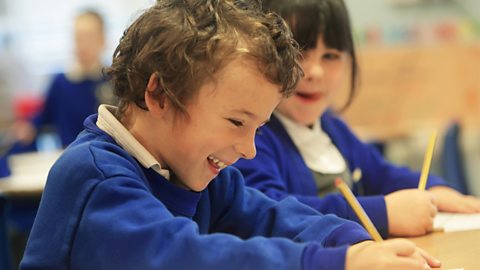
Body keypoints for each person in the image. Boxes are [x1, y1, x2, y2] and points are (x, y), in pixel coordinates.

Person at [20, 1, 440, 269]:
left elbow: (271, 216)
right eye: (238, 122)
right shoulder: (97, 178)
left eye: (259, 127)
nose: (250, 149)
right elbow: (184, 258)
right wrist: (337, 263)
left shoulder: (193, 171)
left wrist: (353, 243)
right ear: (160, 94)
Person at [235, 0, 480, 238]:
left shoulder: (333, 127)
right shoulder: (252, 137)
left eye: (330, 56)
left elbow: (381, 174)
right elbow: (268, 211)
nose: (315, 72)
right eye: (298, 53)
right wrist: (381, 213)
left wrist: (434, 190)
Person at [12, 9, 114, 149]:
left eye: (89, 37)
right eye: (78, 38)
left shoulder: (114, 81)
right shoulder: (61, 83)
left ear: (102, 40)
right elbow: (42, 117)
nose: (82, 45)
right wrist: (26, 128)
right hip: (70, 156)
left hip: (109, 156)